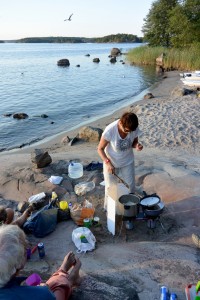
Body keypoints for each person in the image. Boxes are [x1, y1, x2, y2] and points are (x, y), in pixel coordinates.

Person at [0, 224, 81, 300]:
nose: (28, 247)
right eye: (26, 248)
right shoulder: (43, 295)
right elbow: (48, 295)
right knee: (57, 287)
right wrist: (42, 290)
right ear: (19, 264)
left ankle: (62, 272)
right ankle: (70, 280)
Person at [97, 112, 143, 210]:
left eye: (131, 131)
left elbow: (134, 142)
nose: (128, 133)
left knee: (130, 186)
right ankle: (109, 209)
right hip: (111, 162)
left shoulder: (133, 128)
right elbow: (100, 149)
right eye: (126, 130)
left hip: (127, 161)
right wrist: (108, 163)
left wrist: (137, 146)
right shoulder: (110, 130)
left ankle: (129, 208)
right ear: (121, 123)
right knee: (111, 187)